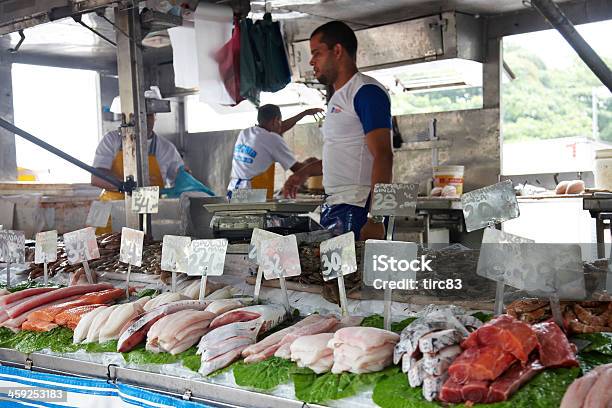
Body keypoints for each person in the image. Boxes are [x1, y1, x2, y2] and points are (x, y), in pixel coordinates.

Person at [282, 21, 393, 240]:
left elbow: (384, 155)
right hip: (337, 204)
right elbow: (345, 155)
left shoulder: (366, 92)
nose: (312, 61)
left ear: (338, 51)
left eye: (317, 53)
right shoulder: (336, 99)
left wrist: (376, 218)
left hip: (358, 207)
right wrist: (303, 173)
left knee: (354, 274)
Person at [91, 88, 184, 201]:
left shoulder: (167, 149)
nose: (142, 120)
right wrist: (123, 185)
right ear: (126, 116)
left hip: (149, 210)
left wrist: (186, 178)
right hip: (112, 210)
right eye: (136, 115)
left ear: (155, 116)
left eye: (148, 115)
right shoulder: (111, 140)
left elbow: (181, 179)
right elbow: (96, 177)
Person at [227, 104, 322, 198]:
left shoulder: (245, 132)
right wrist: (312, 164)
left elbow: (281, 127)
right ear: (275, 121)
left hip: (233, 192)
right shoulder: (273, 139)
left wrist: (304, 114)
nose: (281, 125)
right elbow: (298, 170)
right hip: (250, 195)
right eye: (279, 121)